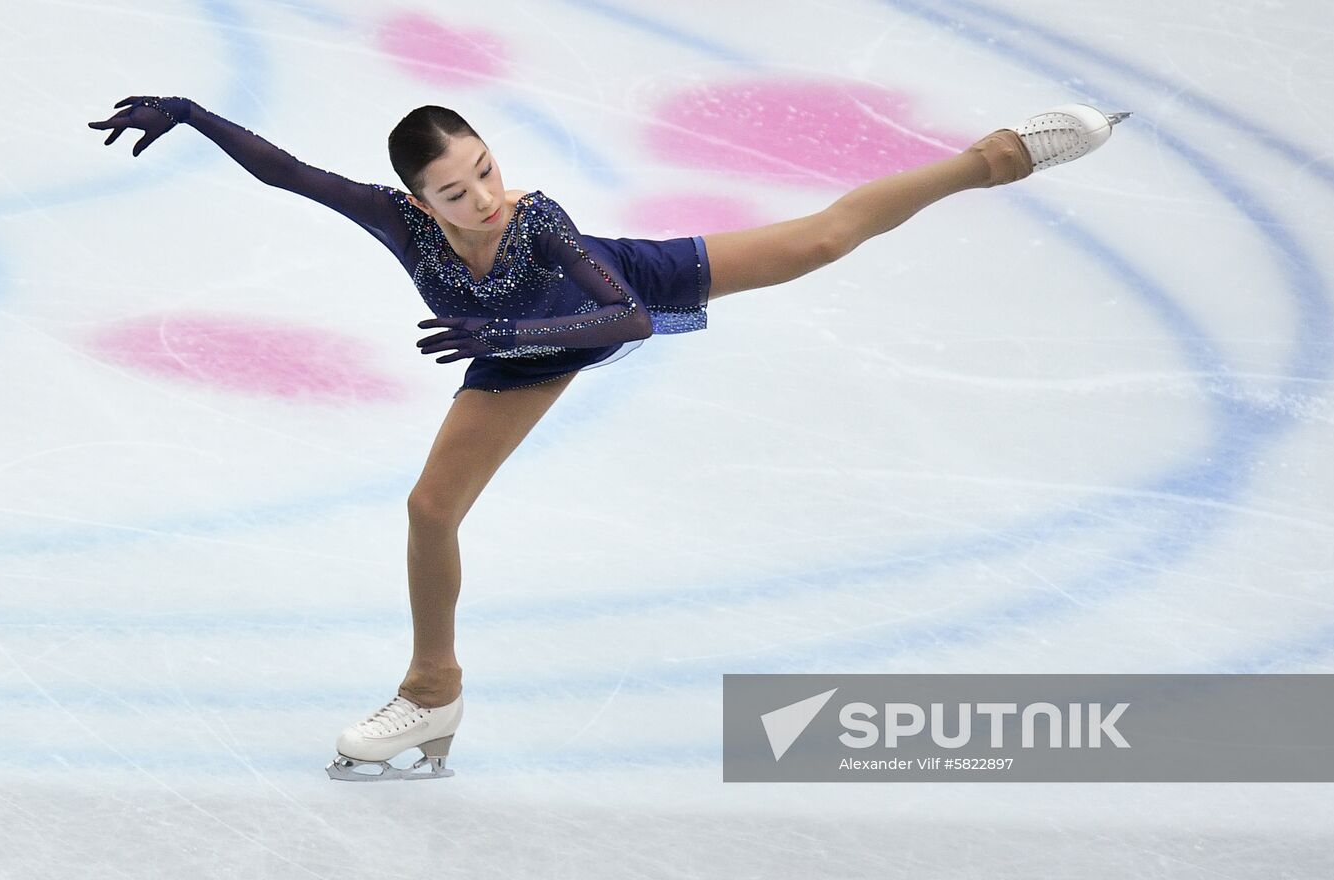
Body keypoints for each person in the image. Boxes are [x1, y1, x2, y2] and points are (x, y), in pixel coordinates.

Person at [88, 95, 1128, 781]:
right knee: (427, 509)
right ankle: (431, 692)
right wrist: (191, 115)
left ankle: (995, 157)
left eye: (486, 169)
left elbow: (624, 321)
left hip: (602, 294)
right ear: (416, 201)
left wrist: (502, 324)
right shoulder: (395, 223)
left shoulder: (539, 222)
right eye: (455, 191)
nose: (483, 196)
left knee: (819, 237)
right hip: (510, 347)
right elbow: (289, 172)